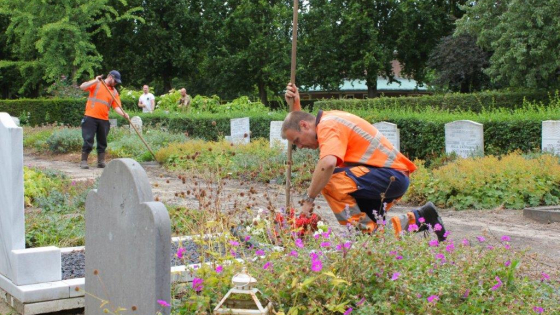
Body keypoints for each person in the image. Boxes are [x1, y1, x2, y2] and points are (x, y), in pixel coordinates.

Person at [282, 83, 446, 241]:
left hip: (388, 176)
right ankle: (421, 217)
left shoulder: (328, 125)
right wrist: (296, 106)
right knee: (372, 235)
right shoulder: (327, 121)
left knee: (329, 181)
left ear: (304, 125)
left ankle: (365, 233)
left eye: (297, 141)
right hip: (381, 177)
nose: (300, 146)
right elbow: (302, 123)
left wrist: (309, 199)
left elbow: (328, 164)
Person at [79, 70, 129, 169]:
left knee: (102, 141)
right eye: (115, 81)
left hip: (104, 119)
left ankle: (101, 161)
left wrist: (124, 114)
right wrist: (95, 80)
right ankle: (84, 161)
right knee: (88, 140)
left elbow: (116, 107)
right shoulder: (97, 84)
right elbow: (82, 87)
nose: (116, 84)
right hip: (90, 117)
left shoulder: (114, 92)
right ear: (110, 77)